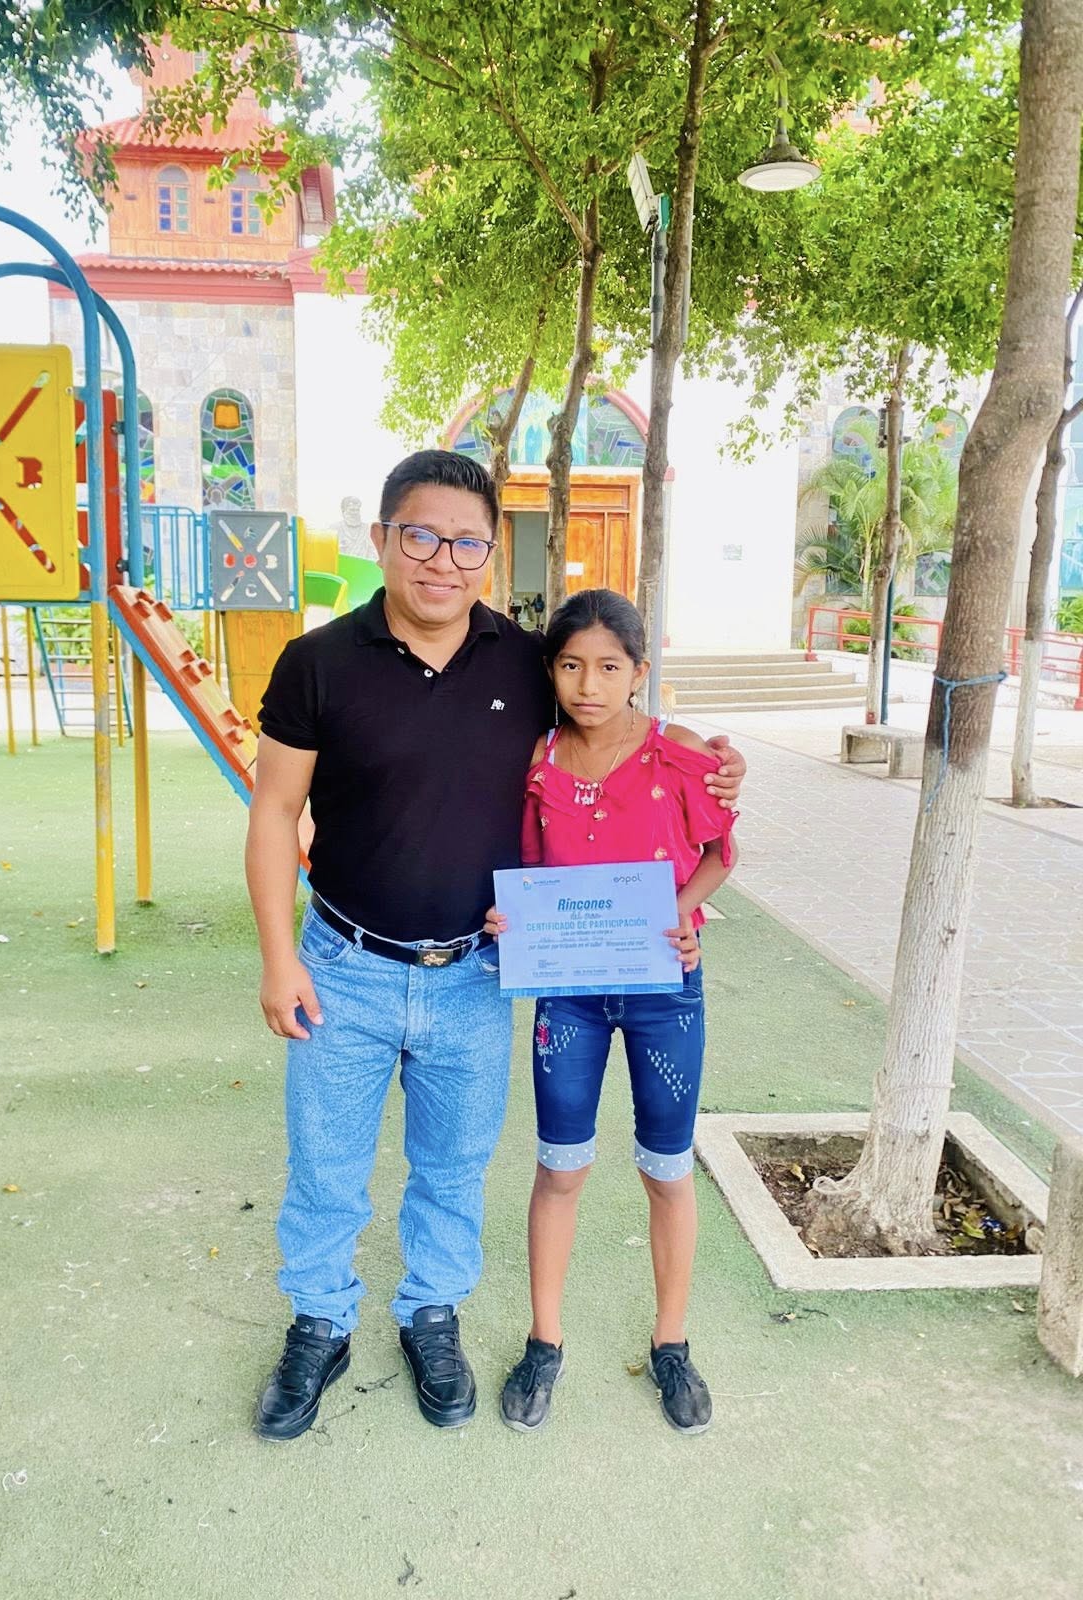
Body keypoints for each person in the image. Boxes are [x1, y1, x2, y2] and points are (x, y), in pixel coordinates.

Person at [244, 450, 745, 1442]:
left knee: (453, 1163)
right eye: (421, 536)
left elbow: (617, 712)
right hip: (343, 963)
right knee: (326, 1164)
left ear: (489, 553)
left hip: (475, 971)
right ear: (383, 537)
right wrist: (277, 955)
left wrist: (714, 759)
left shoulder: (527, 662)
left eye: (467, 543)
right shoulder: (316, 663)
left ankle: (432, 1313)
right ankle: (319, 1323)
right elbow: (273, 811)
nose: (443, 560)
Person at [492, 589, 736, 1437]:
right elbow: (530, 875)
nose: (587, 685)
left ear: (638, 671)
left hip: (666, 988)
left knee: (666, 1169)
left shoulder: (680, 754)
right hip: (568, 996)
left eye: (607, 666)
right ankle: (544, 1341)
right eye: (570, 665)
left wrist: (683, 914)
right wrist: (511, 920)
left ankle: (672, 1343)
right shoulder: (540, 758)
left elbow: (719, 854)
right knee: (560, 1168)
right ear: (551, 670)